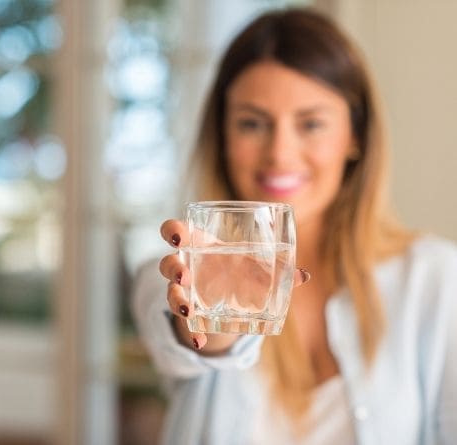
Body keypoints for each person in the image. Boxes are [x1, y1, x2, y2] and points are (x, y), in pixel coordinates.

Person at [131, 7, 457, 445]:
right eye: (252, 123)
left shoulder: (435, 278)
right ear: (223, 136)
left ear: (355, 135)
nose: (280, 154)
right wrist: (214, 321)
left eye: (311, 124)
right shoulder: (172, 272)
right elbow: (179, 332)